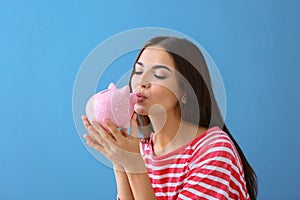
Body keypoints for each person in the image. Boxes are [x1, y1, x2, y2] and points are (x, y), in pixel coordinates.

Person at [81, 36, 258, 200]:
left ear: (185, 92)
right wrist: (120, 161)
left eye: (159, 75)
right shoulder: (141, 149)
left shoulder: (214, 150)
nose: (142, 81)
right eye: (138, 71)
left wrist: (135, 165)